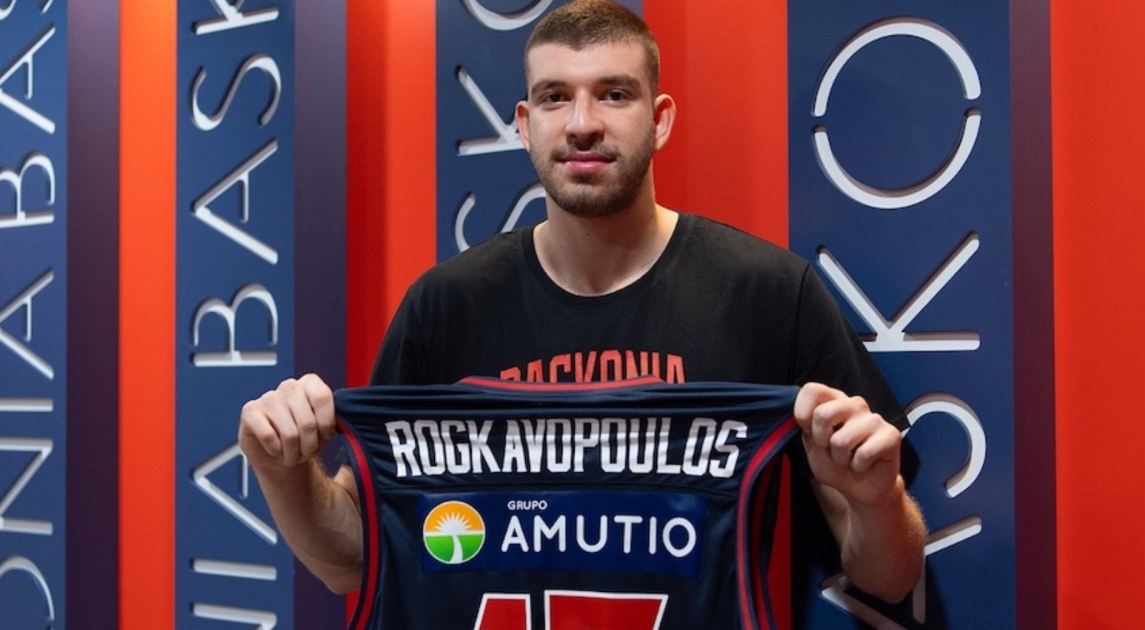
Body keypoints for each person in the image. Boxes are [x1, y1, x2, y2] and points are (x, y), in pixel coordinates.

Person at [238, 0, 925, 610]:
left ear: (659, 120)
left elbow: (889, 580)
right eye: (554, 97)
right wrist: (281, 471)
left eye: (614, 94)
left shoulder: (768, 292)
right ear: (524, 123)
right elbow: (352, 564)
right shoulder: (446, 306)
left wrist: (877, 499)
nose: (582, 124)